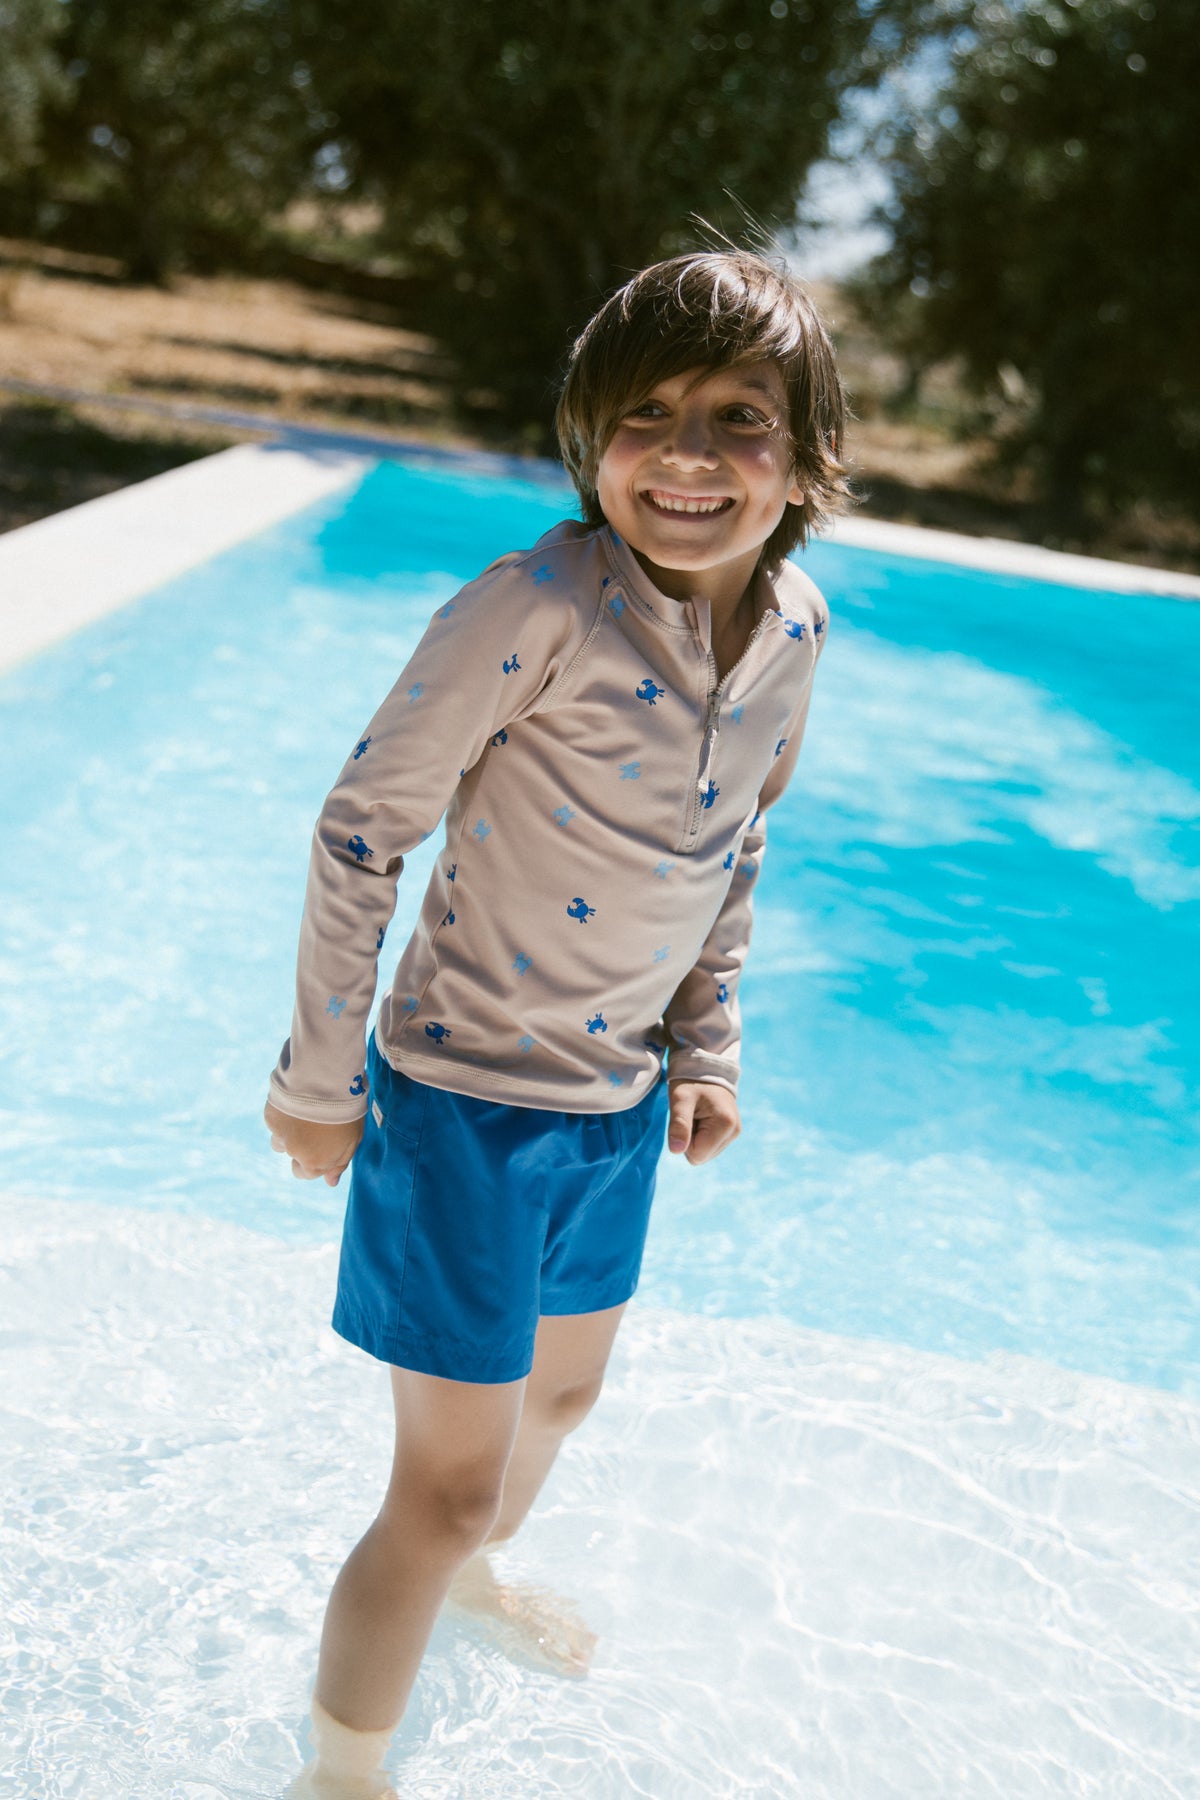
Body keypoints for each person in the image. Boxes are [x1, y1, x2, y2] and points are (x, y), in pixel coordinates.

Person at [265, 247, 848, 1799]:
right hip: (460, 1103)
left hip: (614, 1112)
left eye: (741, 417)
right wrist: (320, 1081)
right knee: (448, 1487)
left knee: (566, 1400)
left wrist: (706, 1047)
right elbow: (362, 830)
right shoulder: (534, 608)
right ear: (590, 441)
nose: (689, 455)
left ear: (806, 459)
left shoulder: (795, 632)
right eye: (647, 413)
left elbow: (737, 845)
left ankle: (465, 1584)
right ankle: (342, 1775)